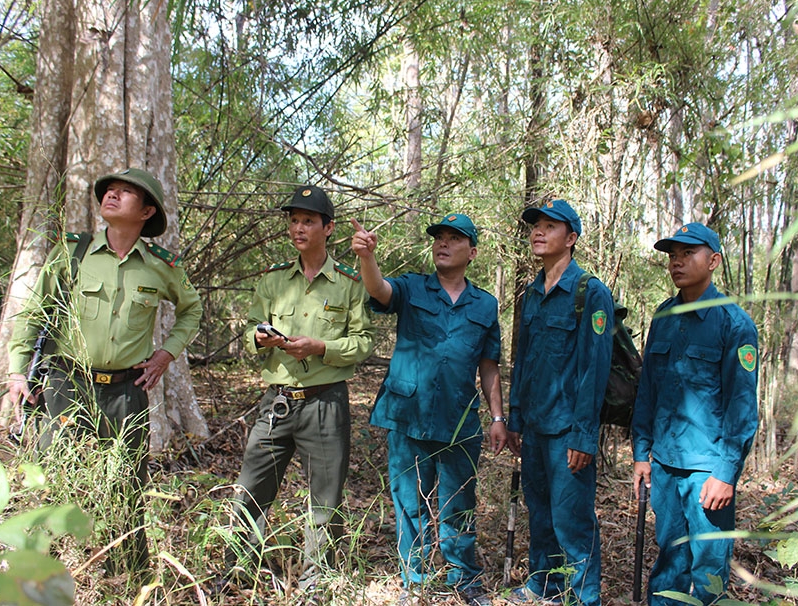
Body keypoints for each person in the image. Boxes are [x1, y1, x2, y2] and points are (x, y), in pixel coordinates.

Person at [7, 167, 203, 574]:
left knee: (127, 485)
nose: (111, 196)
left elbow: (191, 309)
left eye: (125, 193)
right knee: (53, 479)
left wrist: (166, 354)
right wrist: (16, 371)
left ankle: (128, 575)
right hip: (67, 382)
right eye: (109, 191)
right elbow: (34, 312)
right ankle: (40, 573)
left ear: (147, 212)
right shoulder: (74, 252)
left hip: (125, 390)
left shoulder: (159, 266)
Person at [351, 213, 507, 606]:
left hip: (459, 422)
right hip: (408, 416)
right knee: (410, 506)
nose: (444, 243)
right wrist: (367, 258)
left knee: (459, 507)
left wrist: (498, 418)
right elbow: (381, 291)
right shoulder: (412, 287)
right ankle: (415, 581)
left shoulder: (485, 305)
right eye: (439, 237)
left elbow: (489, 366)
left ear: (471, 252)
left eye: (455, 239)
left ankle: (464, 579)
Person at [226, 185, 374, 593]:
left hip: (325, 403)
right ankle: (236, 573)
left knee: (325, 500)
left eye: (308, 220)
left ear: (328, 228)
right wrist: (259, 337)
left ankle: (316, 583)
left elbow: (363, 342)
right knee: (251, 490)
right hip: (276, 402)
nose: (298, 228)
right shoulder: (275, 280)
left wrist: (321, 347)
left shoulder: (347, 282)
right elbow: (249, 329)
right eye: (293, 220)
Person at [631, 223, 759, 605]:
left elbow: (742, 406)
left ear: (714, 260)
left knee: (708, 569)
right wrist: (641, 452)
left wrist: (725, 473)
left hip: (708, 470)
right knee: (670, 558)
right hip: (666, 463)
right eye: (673, 255)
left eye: (689, 253)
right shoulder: (663, 317)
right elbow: (648, 391)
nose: (678, 261)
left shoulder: (734, 324)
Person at [505, 199, 614, 606]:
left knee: (572, 521)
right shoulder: (532, 293)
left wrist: (585, 436)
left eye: (550, 226)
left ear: (570, 239)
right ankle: (543, 585)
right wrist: (515, 417)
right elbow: (524, 359)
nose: (539, 231)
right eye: (536, 225)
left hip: (569, 430)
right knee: (541, 513)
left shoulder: (590, 293)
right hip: (534, 427)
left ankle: (584, 597)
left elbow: (594, 370)